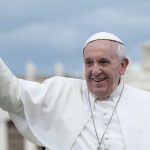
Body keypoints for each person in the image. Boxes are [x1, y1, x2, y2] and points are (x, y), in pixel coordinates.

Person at [0, 32, 150, 150]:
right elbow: (14, 93)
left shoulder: (145, 104)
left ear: (123, 65)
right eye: (89, 63)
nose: (95, 71)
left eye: (103, 62)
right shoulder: (61, 92)